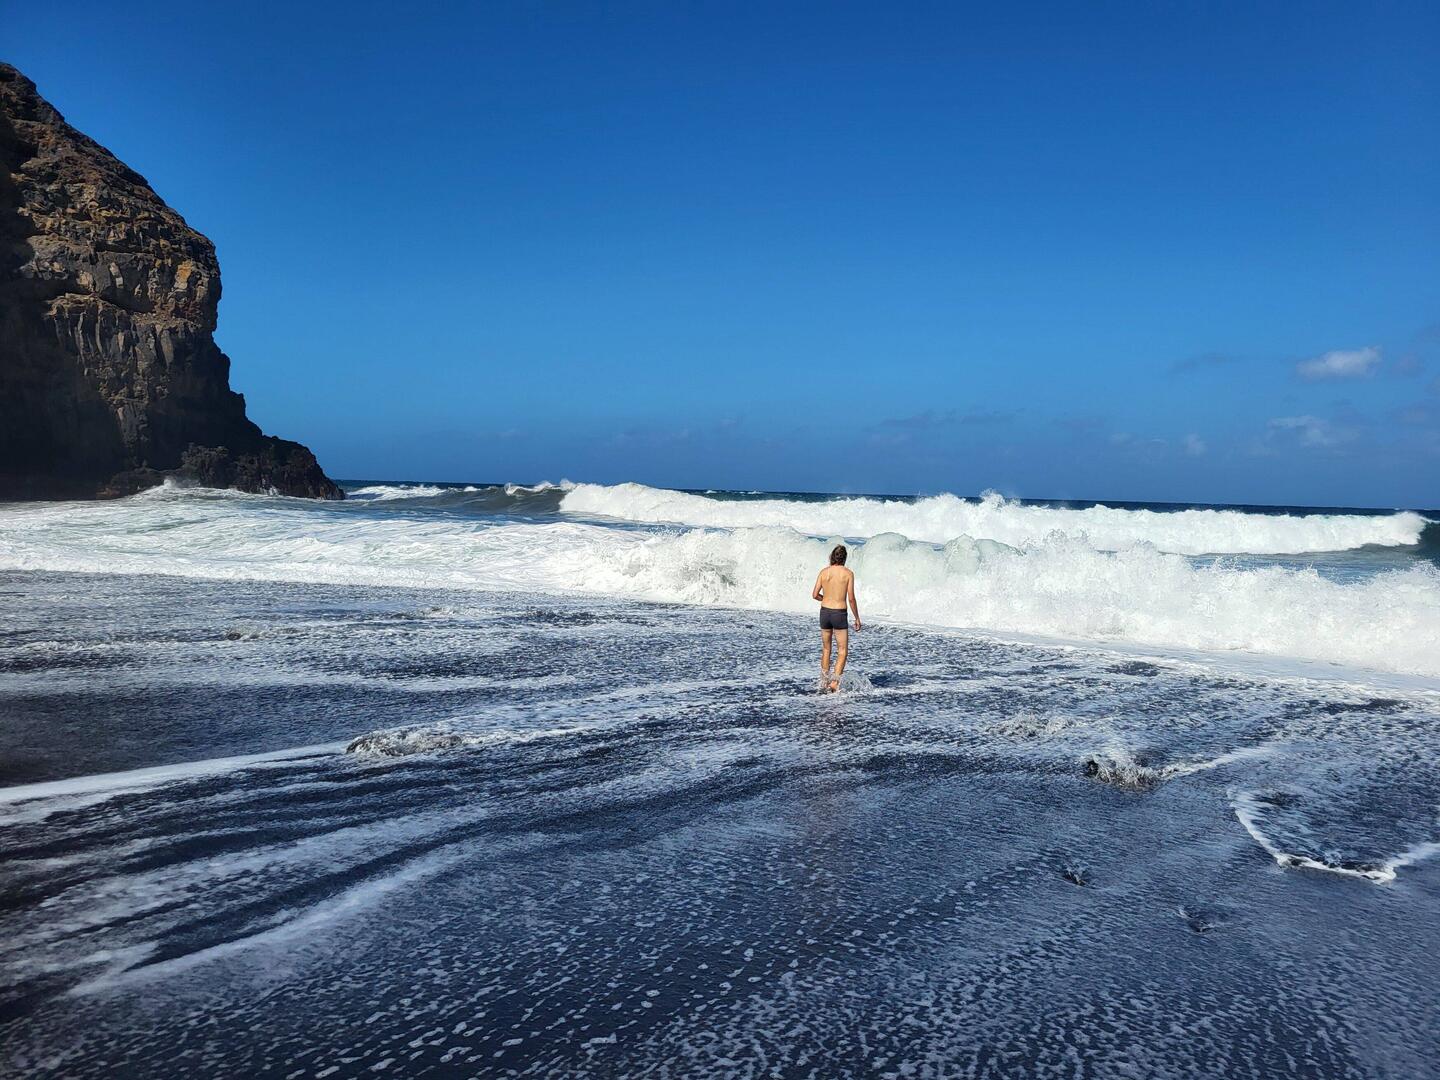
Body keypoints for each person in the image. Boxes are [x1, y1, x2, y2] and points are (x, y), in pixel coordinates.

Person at [812, 543, 861, 692]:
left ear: (832, 557)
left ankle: (824, 681)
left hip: (824, 612)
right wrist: (857, 618)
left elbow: (815, 595)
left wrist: (826, 598)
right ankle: (834, 683)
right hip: (839, 613)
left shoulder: (823, 572)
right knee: (842, 650)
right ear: (844, 558)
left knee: (826, 649)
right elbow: (851, 598)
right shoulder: (848, 573)